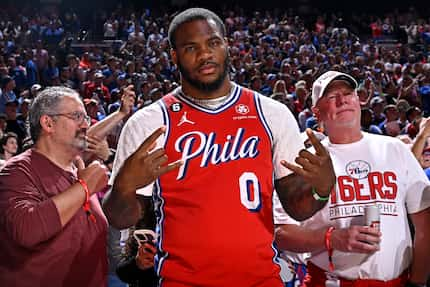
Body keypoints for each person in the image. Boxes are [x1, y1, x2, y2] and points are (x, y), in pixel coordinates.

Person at [103, 8, 336, 287]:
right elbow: (120, 217)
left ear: (226, 45)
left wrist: (322, 190)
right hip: (181, 280)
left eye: (213, 43)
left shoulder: (272, 114)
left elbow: (297, 208)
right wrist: (123, 189)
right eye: (191, 48)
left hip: (261, 279)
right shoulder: (149, 123)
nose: (205, 55)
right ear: (174, 56)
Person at [275, 71, 430, 287]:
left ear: (358, 101)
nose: (342, 100)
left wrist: (418, 282)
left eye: (348, 93)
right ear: (317, 113)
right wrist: (331, 238)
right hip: (331, 282)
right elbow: (282, 233)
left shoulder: (394, 149)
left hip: (398, 282)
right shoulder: (304, 161)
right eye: (331, 96)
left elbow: (425, 226)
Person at [0, 86, 109, 286]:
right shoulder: (16, 171)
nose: (86, 124)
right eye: (77, 116)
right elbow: (27, 229)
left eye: (85, 117)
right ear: (48, 123)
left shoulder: (78, 171)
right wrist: (85, 187)